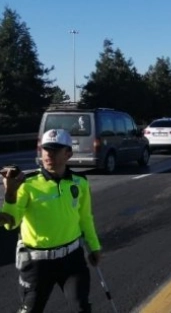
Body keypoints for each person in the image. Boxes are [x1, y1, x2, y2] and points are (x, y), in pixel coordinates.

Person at [0, 129, 102, 313]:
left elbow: (85, 218)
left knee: (81, 308)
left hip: (72, 259)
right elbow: (10, 223)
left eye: (55, 150)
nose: (49, 154)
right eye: (46, 149)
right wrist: (10, 194)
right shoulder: (27, 184)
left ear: (68, 153)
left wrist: (94, 246)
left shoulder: (80, 182)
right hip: (37, 263)